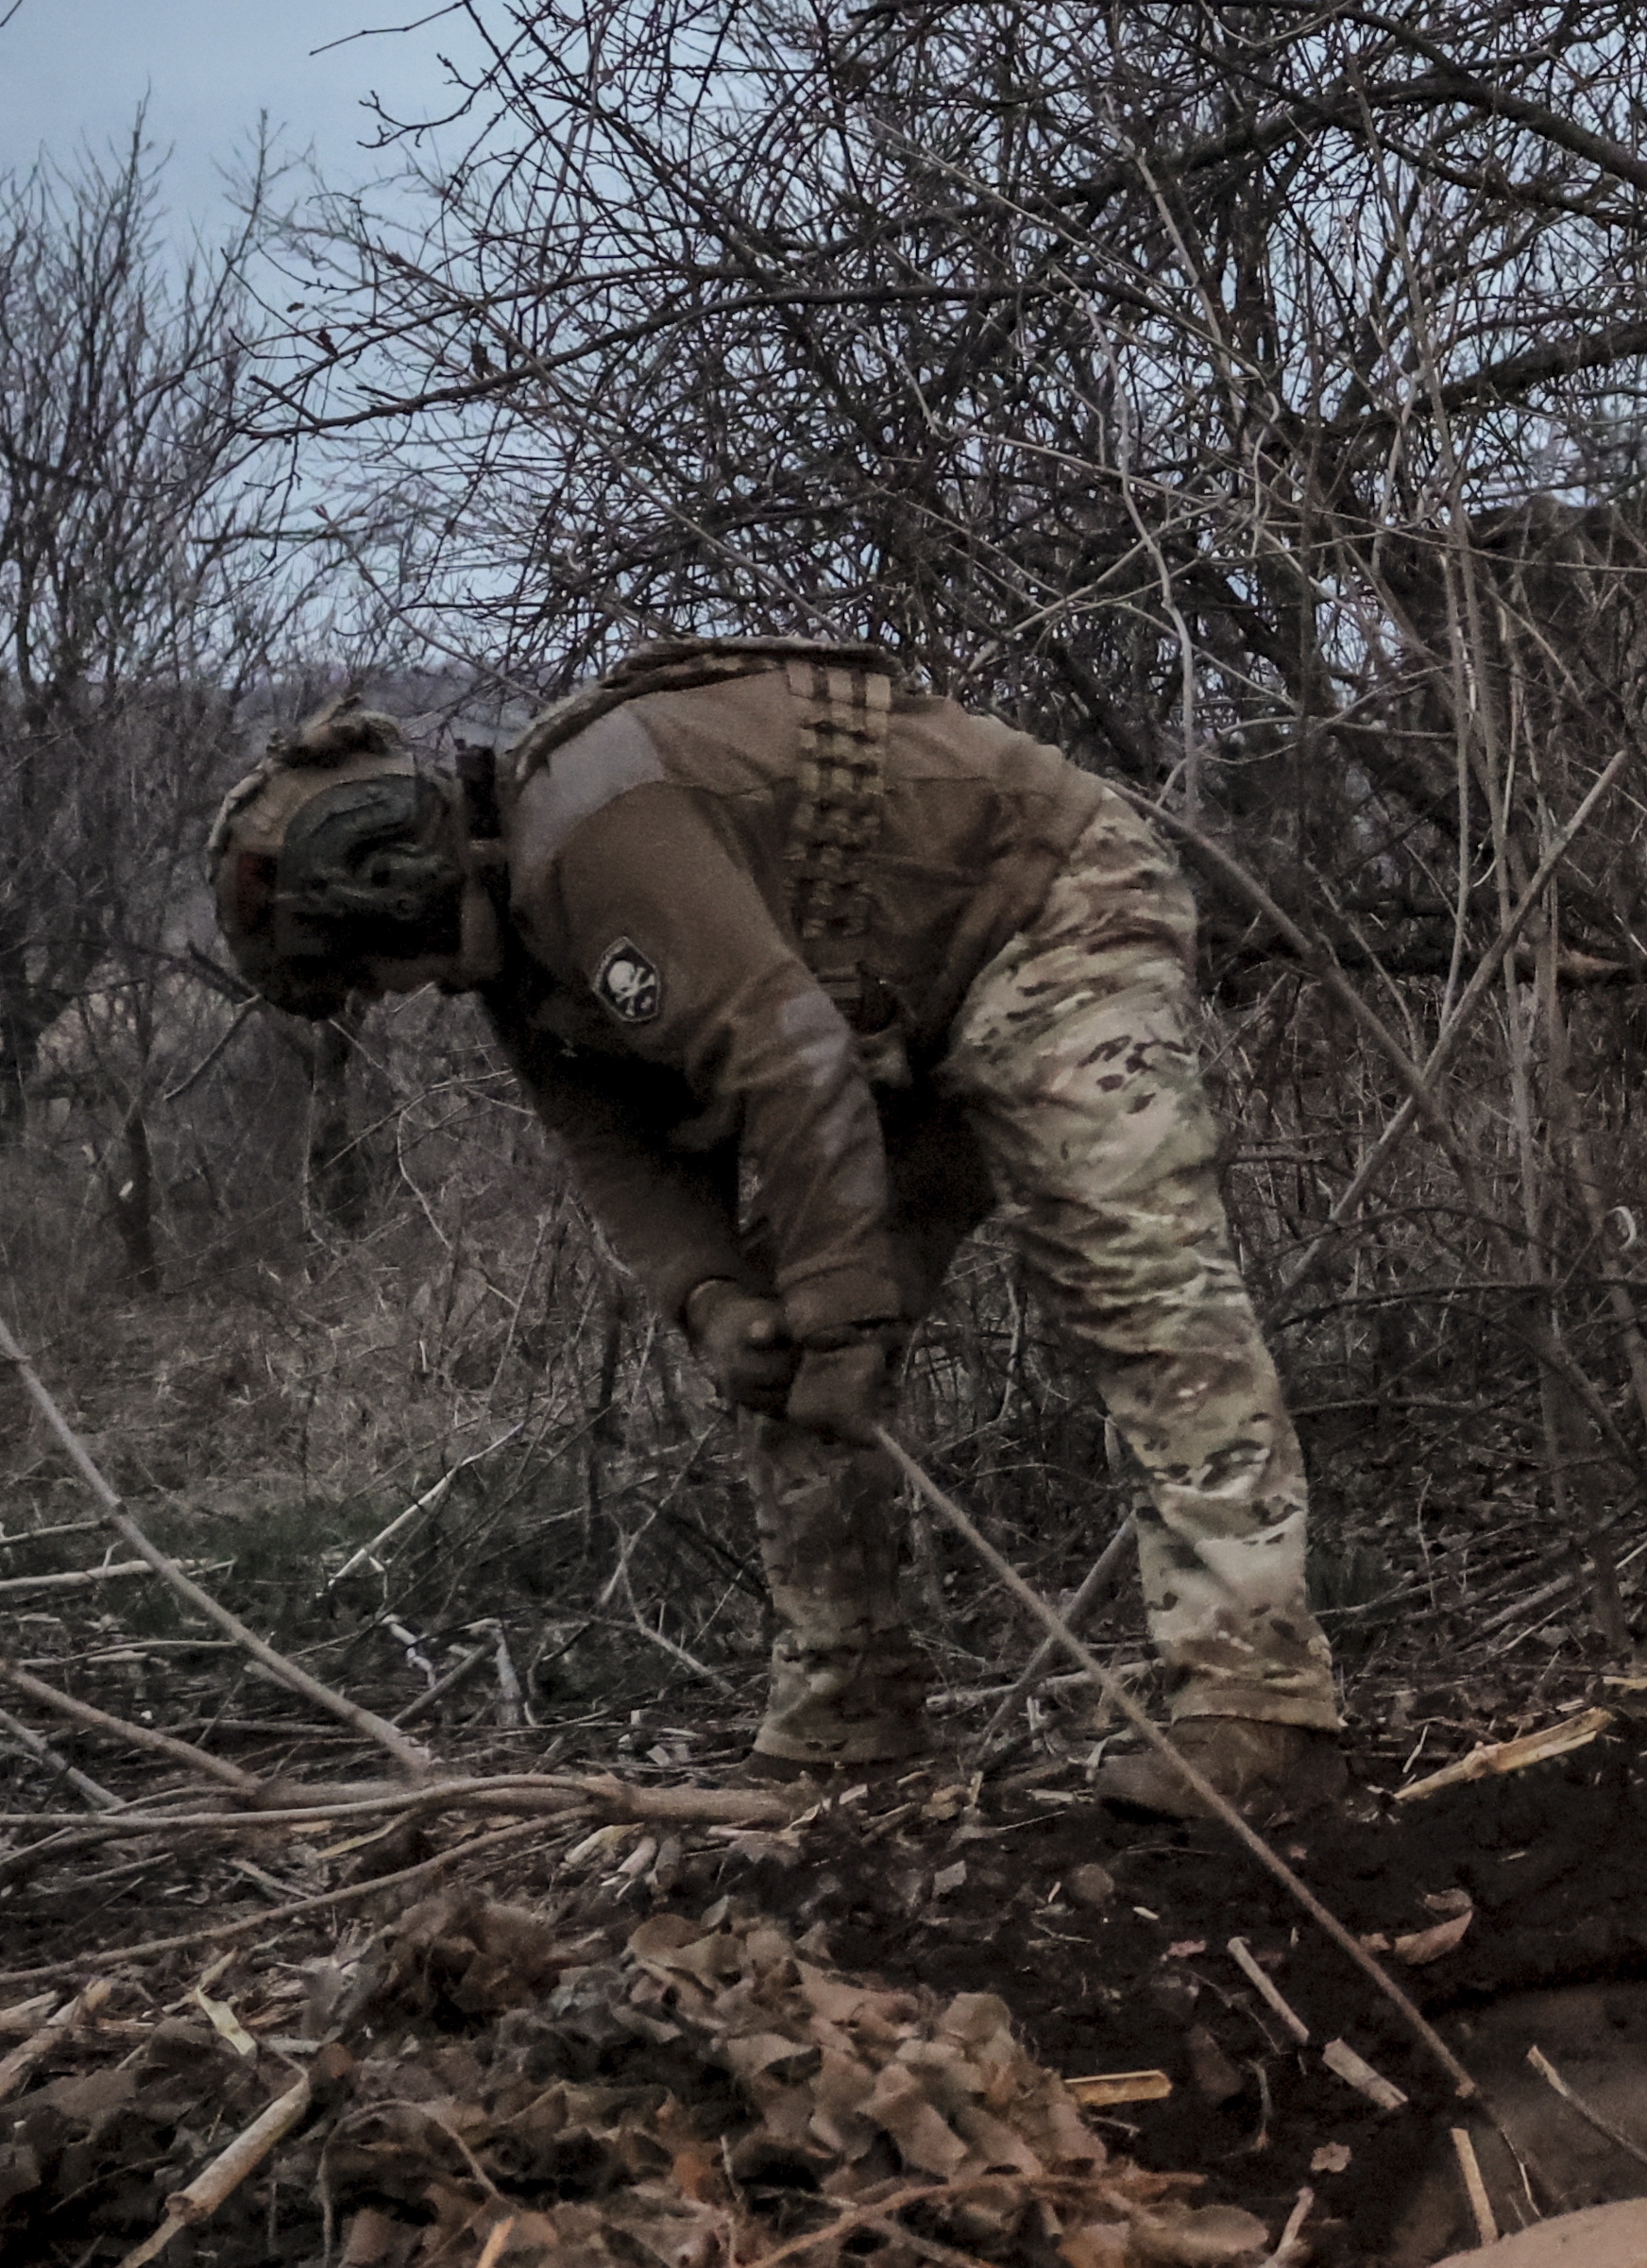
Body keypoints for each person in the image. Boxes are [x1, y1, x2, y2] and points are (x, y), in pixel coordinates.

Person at [203, 642, 1347, 1814]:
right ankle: (846, 1722)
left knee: (1134, 1270)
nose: (392, 991)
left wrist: (843, 1310)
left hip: (1044, 905)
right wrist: (716, 1298)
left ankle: (1260, 1708)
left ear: (374, 882)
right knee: (788, 1366)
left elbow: (788, 1063)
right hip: (883, 1015)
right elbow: (620, 1151)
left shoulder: (595, 831)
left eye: (363, 969)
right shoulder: (518, 958)